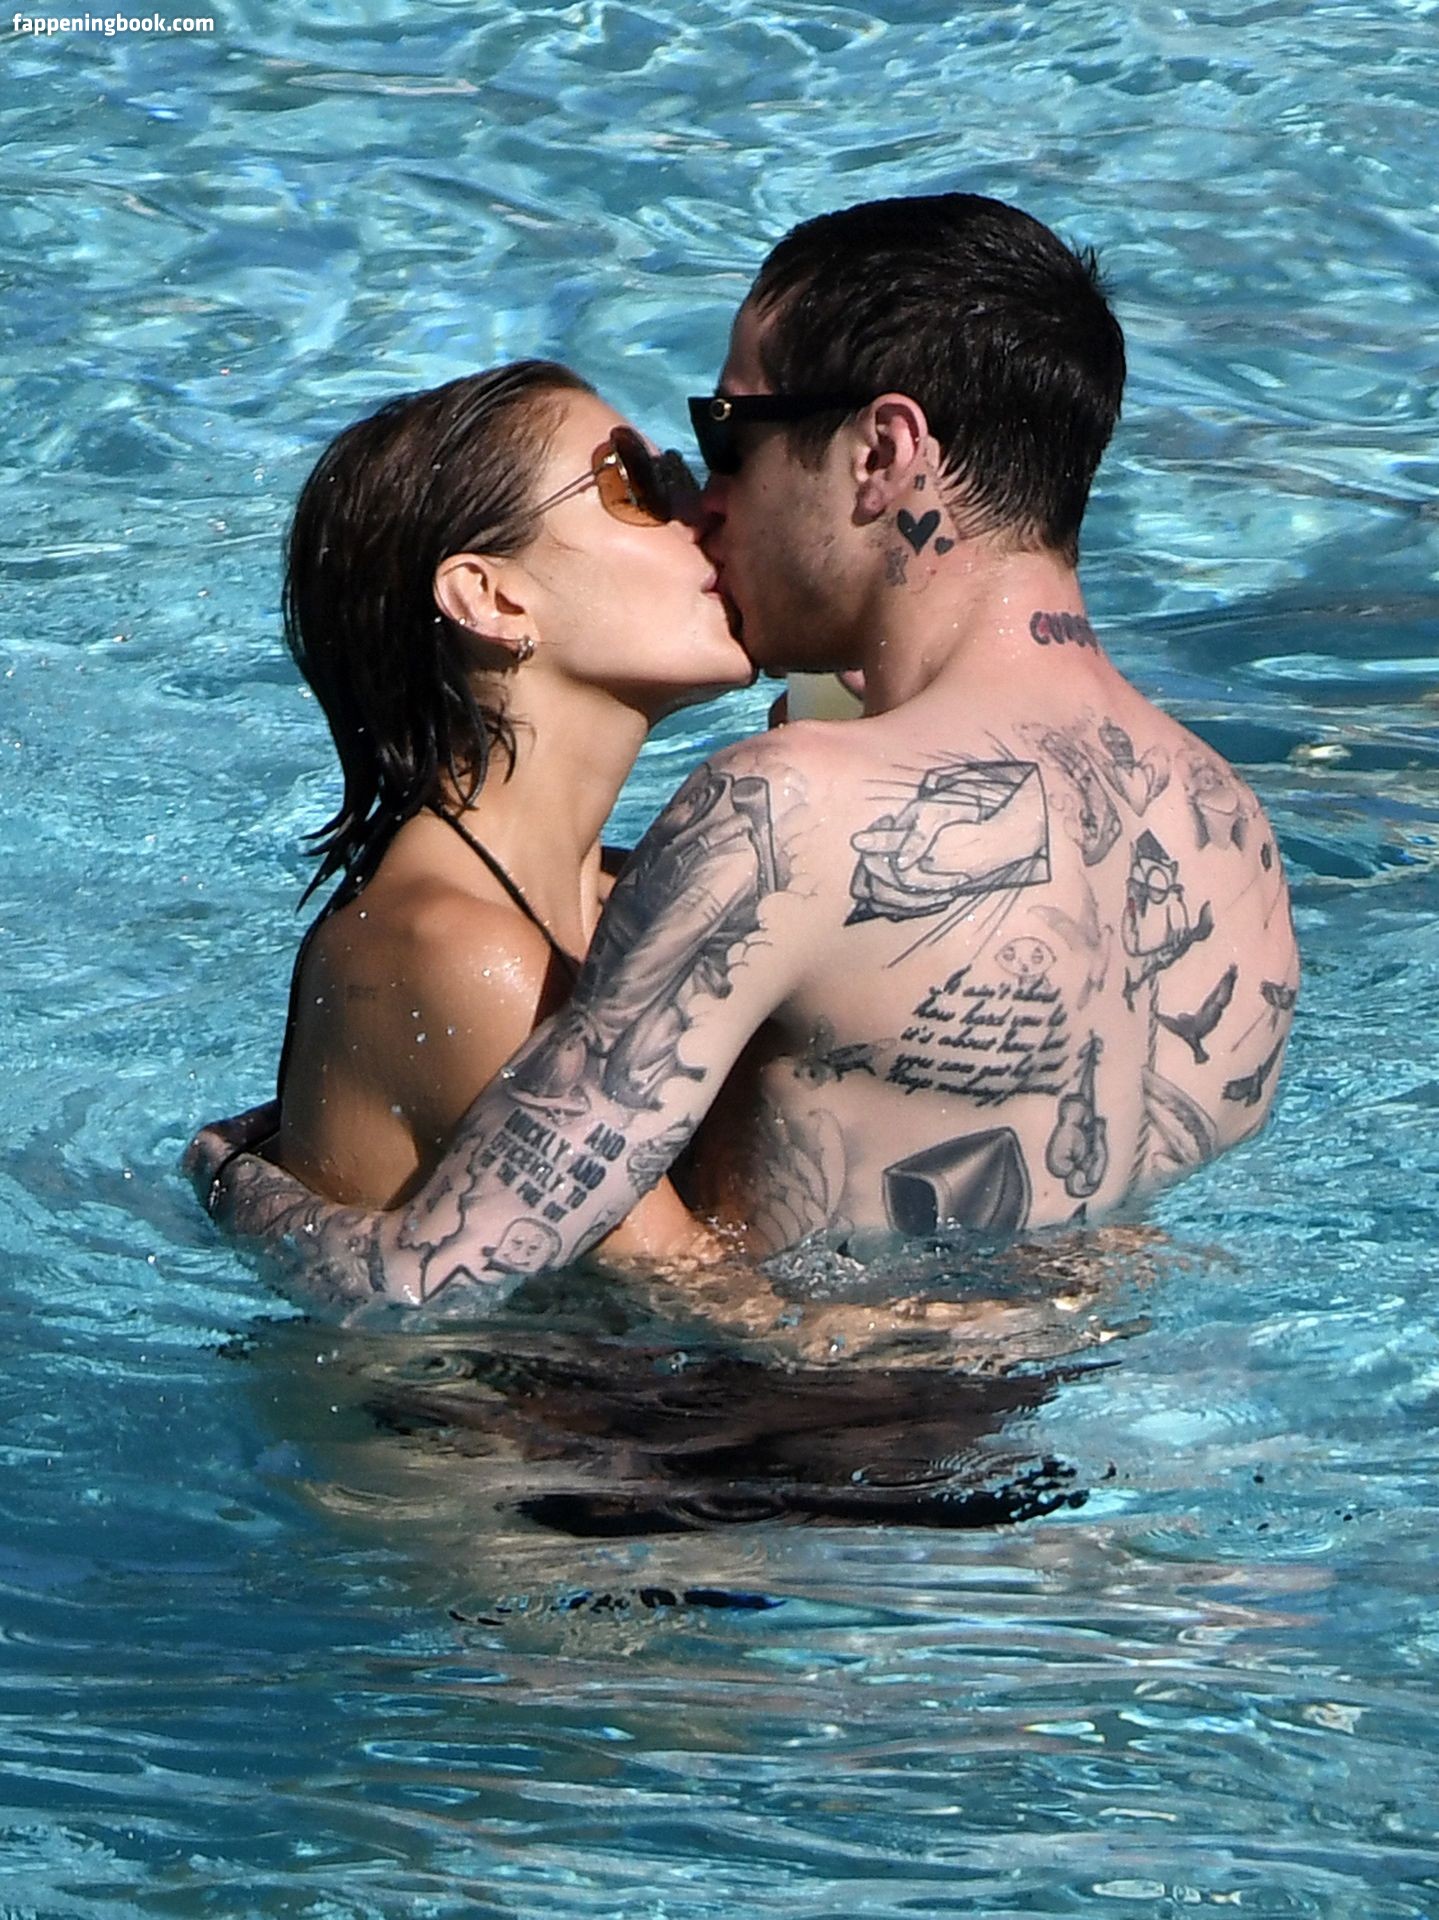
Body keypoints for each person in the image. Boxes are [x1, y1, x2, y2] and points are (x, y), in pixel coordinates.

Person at [190, 191, 1299, 1307]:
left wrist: (227, 1178)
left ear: (881, 453)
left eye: (726, 436)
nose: (709, 505)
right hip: (1086, 1408)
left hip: (758, 1419)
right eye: (649, 484)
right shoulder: (1224, 828)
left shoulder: (789, 810)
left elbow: (427, 1281)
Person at [206, 359, 754, 1269]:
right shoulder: (451, 951)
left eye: (679, 477)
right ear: (491, 598)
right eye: (634, 484)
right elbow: (706, 1293)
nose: (705, 510)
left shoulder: (626, 892)